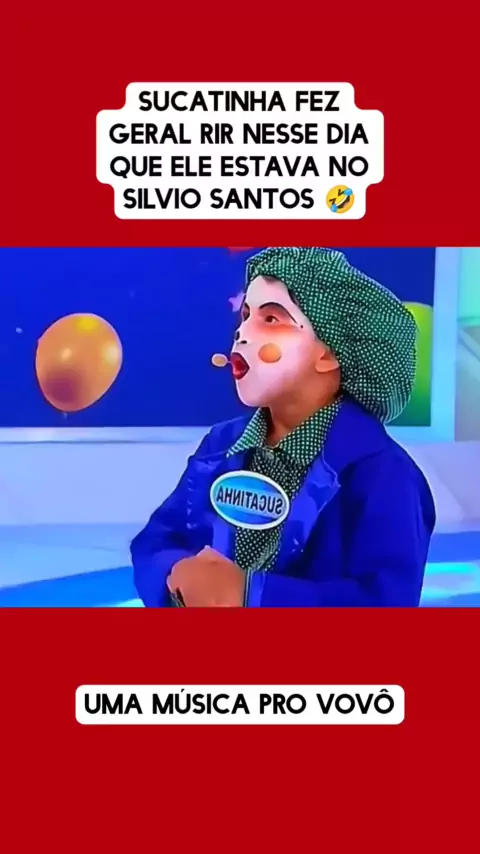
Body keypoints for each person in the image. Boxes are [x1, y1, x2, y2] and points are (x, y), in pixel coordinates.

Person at [131, 247, 436, 607]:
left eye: (271, 319)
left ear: (330, 353)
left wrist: (251, 594)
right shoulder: (221, 446)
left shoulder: (383, 473)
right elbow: (159, 538)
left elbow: (385, 600)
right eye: (246, 315)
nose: (241, 333)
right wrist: (176, 572)